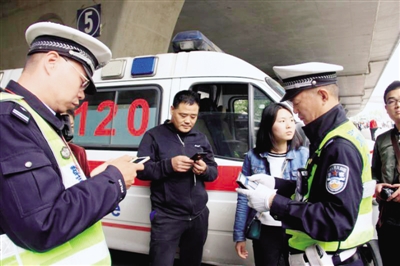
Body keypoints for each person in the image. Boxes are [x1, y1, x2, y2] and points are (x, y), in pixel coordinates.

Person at [0, 21, 144, 265]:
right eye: (83, 81)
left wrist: (96, 179)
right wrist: (113, 181)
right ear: (52, 62)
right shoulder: (9, 122)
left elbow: (50, 197)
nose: (83, 93)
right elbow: (43, 225)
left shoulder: (36, 120)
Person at [237, 62, 375, 265]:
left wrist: (273, 202)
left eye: (297, 102)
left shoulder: (339, 147)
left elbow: (335, 221)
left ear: (323, 96)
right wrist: (277, 185)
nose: (294, 112)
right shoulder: (328, 139)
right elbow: (315, 192)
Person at [136, 91, 218, 266]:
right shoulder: (153, 136)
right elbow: (141, 170)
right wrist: (169, 165)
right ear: (172, 110)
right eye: (183, 115)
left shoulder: (200, 138)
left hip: (198, 216)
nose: (188, 121)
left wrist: (204, 170)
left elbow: (214, 172)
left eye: (193, 116)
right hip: (167, 217)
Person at [233, 103, 309, 266]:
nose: (289, 125)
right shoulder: (253, 156)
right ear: (268, 125)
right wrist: (239, 235)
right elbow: (243, 197)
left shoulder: (304, 154)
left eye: (291, 120)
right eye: (282, 121)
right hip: (265, 229)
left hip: (295, 227)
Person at [372, 80, 400, 266]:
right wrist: (376, 185)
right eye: (392, 101)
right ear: (386, 108)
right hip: (390, 220)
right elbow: (373, 173)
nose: (397, 105)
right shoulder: (382, 140)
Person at [62, 109, 91, 177]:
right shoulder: (41, 150)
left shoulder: (78, 152)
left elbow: (86, 182)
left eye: (71, 127)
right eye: (64, 126)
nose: (69, 132)